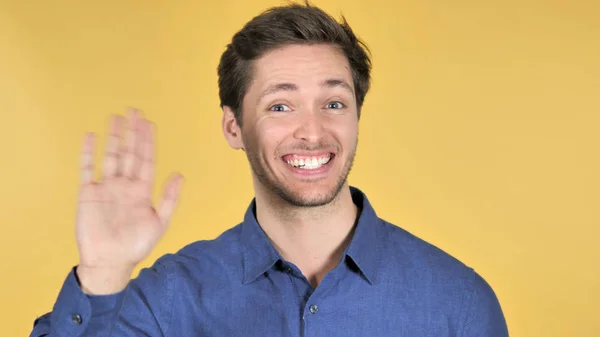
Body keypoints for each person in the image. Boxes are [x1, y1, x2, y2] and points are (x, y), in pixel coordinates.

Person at [30, 3, 508, 337]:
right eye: (280, 106)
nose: (312, 131)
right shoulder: (168, 298)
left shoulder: (457, 301)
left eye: (334, 102)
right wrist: (102, 273)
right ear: (234, 127)